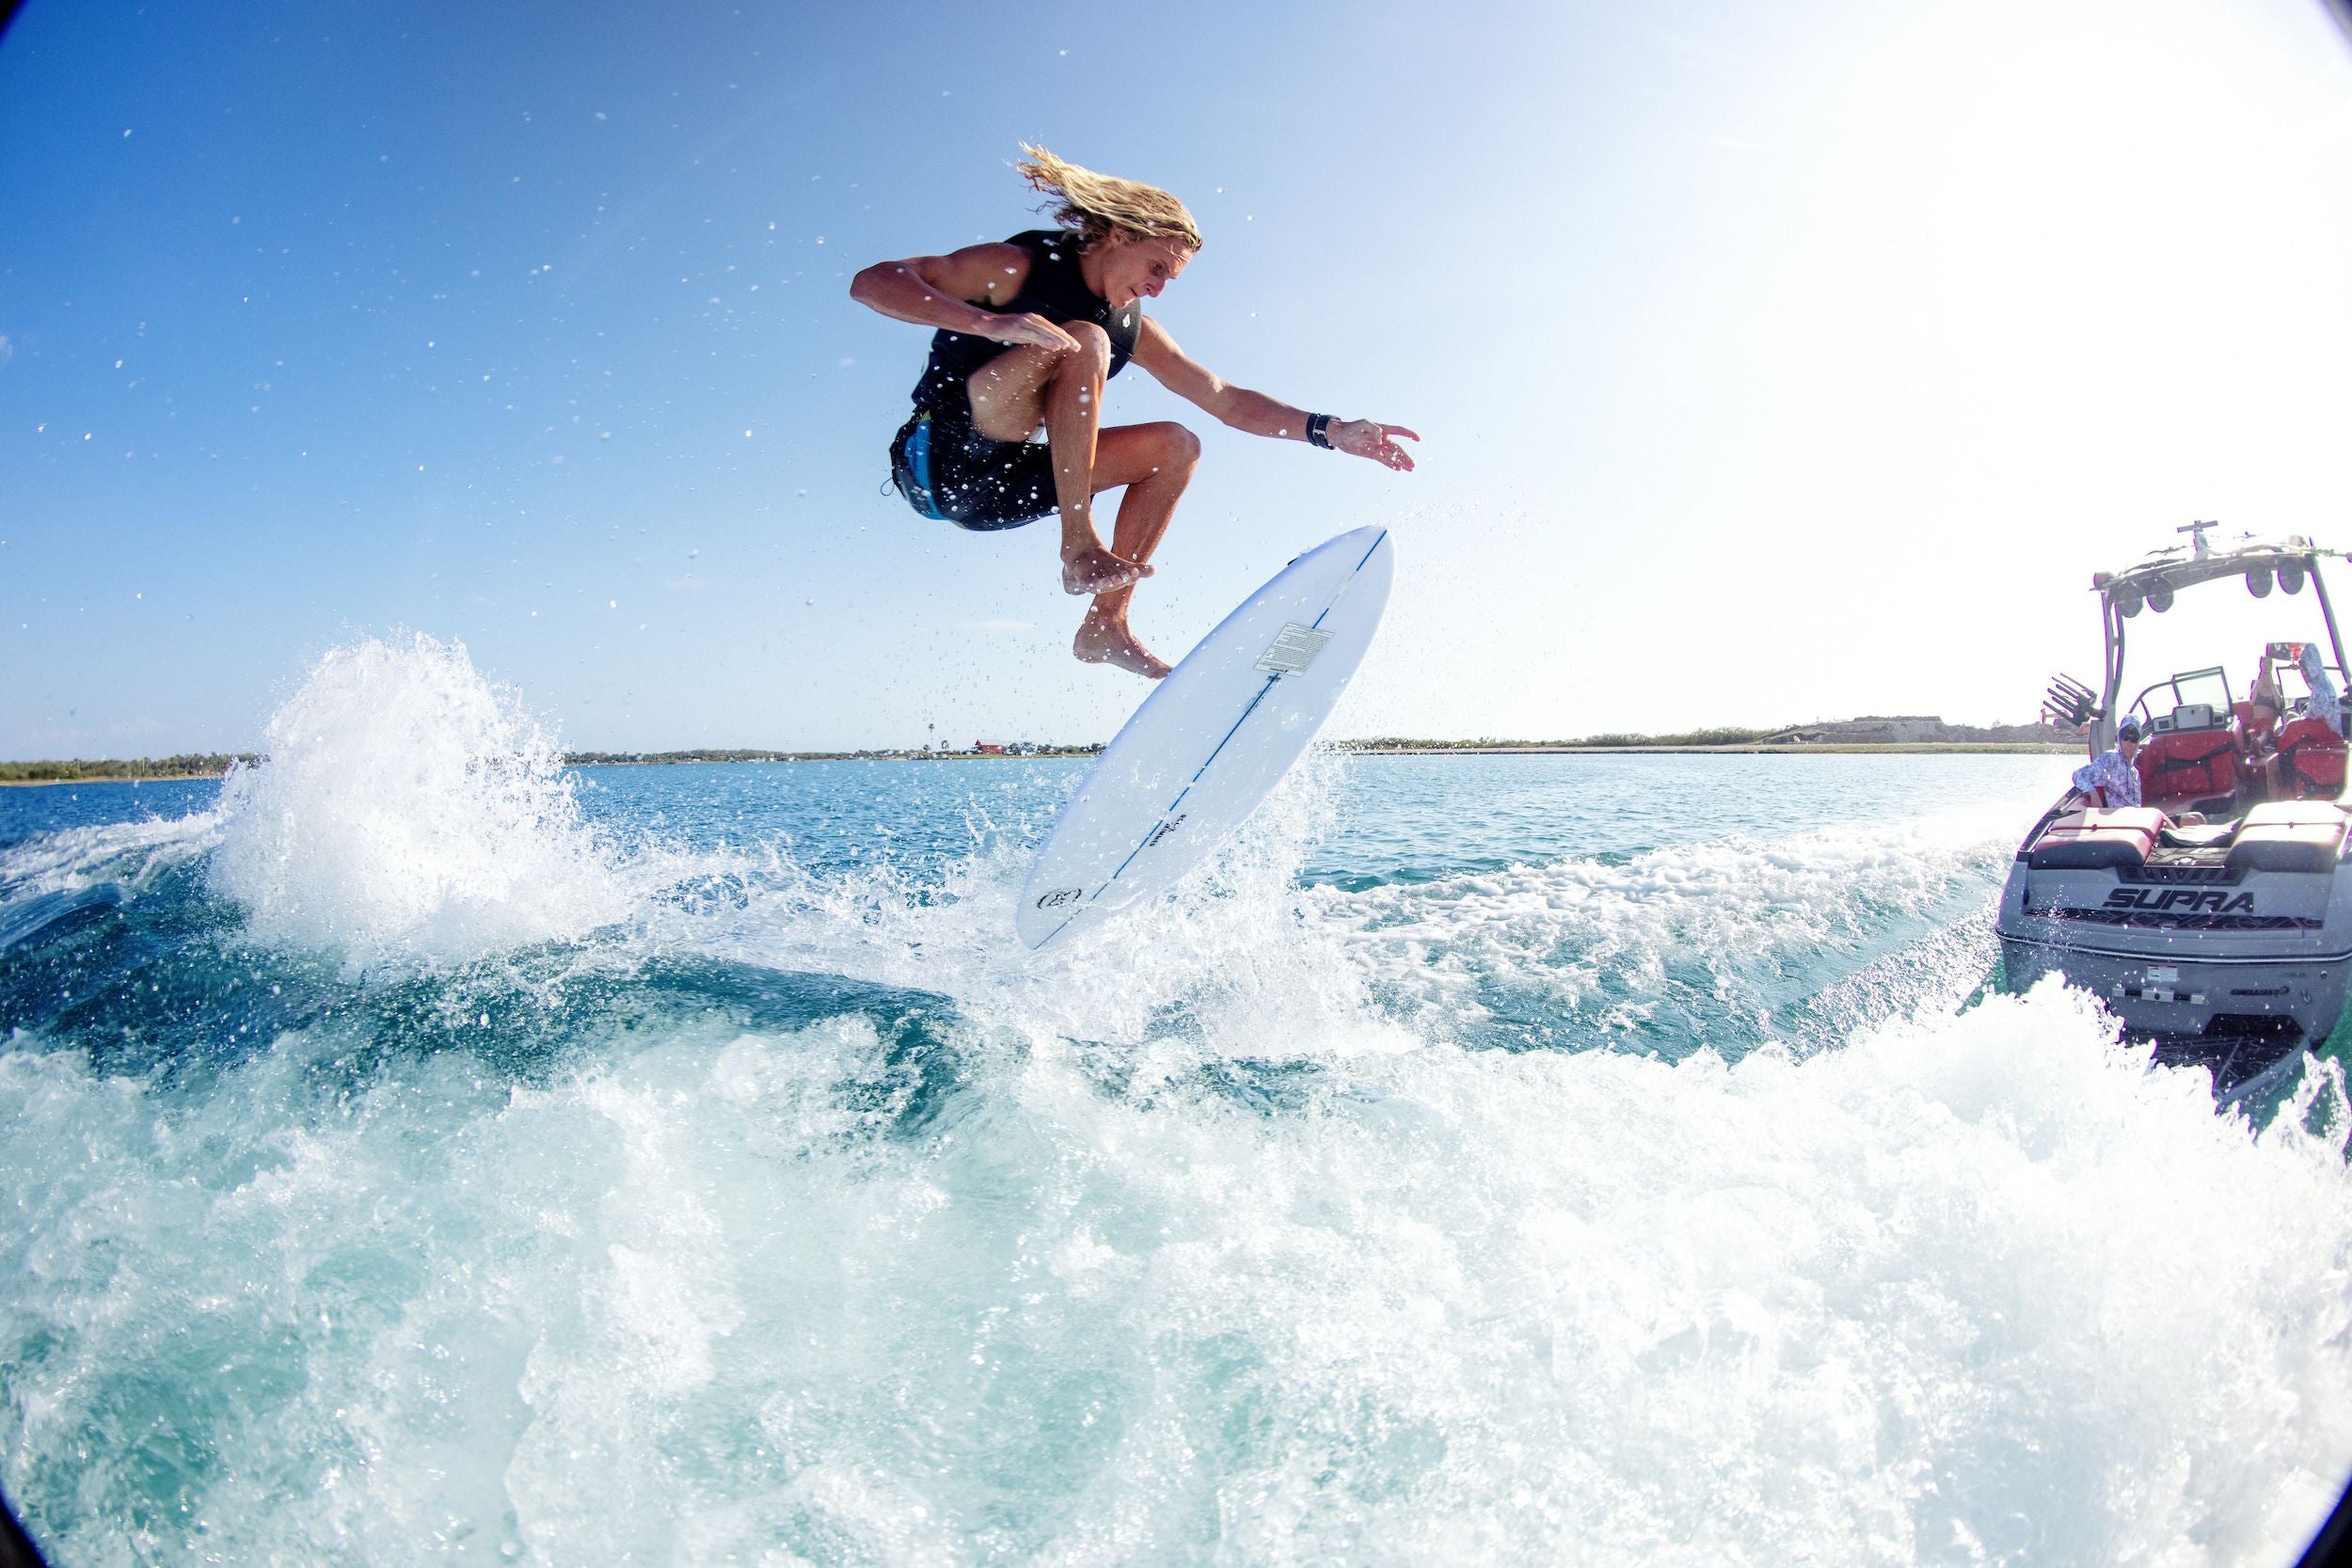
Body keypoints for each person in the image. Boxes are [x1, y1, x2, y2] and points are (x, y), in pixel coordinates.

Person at [850, 146, 1420, 678]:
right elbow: (873, 282)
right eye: (1158, 268)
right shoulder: (1014, 267)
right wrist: (990, 322)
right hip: (942, 462)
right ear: (1120, 235)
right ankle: (1079, 547)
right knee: (1083, 341)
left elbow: (1224, 398)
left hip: (1008, 490)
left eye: (1169, 280)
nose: (1158, 288)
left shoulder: (1134, 328)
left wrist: (1335, 431)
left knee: (1177, 445)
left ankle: (1107, 624)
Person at [2071, 717, 2146, 809]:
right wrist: (2093, 793)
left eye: (2134, 740)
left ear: (2138, 742)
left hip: (2135, 818)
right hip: (2117, 820)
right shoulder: (2110, 759)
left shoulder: (2135, 773)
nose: (2129, 743)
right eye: (2125, 738)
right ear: (2119, 739)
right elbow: (2079, 775)